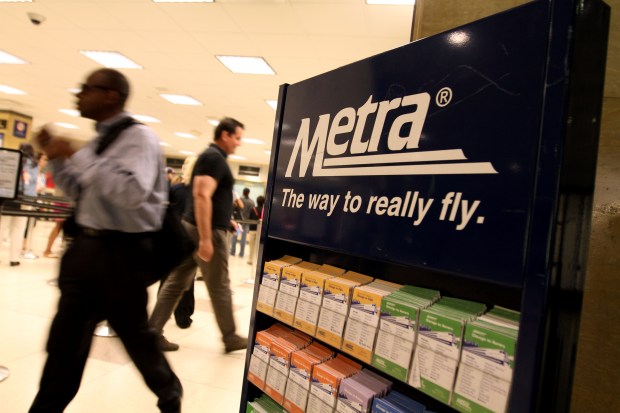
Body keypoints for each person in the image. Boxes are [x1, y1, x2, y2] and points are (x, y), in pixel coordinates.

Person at [29, 68, 182, 413]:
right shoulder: (99, 142)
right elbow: (82, 192)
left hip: (121, 257)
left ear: (111, 95)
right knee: (65, 344)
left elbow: (131, 193)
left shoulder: (139, 137)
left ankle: (169, 393)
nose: (78, 95)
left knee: (135, 336)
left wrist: (79, 156)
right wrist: (57, 159)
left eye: (87, 89)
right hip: (85, 252)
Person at [149, 117, 248, 353]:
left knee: (176, 283)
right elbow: (202, 195)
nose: (238, 143)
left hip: (195, 227)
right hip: (207, 232)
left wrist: (227, 220)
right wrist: (205, 238)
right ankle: (230, 336)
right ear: (224, 135)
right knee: (219, 286)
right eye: (237, 138)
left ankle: (152, 332)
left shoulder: (212, 158)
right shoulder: (214, 158)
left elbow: (209, 197)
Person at [0, 143, 38, 266]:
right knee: (19, 229)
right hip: (25, 199)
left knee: (2, 227)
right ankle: (13, 259)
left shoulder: (12, 158)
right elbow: (32, 183)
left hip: (9, 196)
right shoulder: (33, 163)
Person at [230, 187, 255, 258]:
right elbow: (252, 212)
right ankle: (241, 254)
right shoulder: (252, 202)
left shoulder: (239, 200)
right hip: (246, 222)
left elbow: (234, 208)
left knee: (235, 237)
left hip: (238, 221)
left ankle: (232, 252)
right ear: (248, 193)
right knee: (243, 239)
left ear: (243, 192)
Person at [246, 195, 265, 265]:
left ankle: (250, 260)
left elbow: (250, 219)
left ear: (257, 201)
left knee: (251, 246)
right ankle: (257, 260)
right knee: (259, 246)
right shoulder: (264, 210)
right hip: (260, 230)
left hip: (252, 229)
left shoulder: (253, 209)